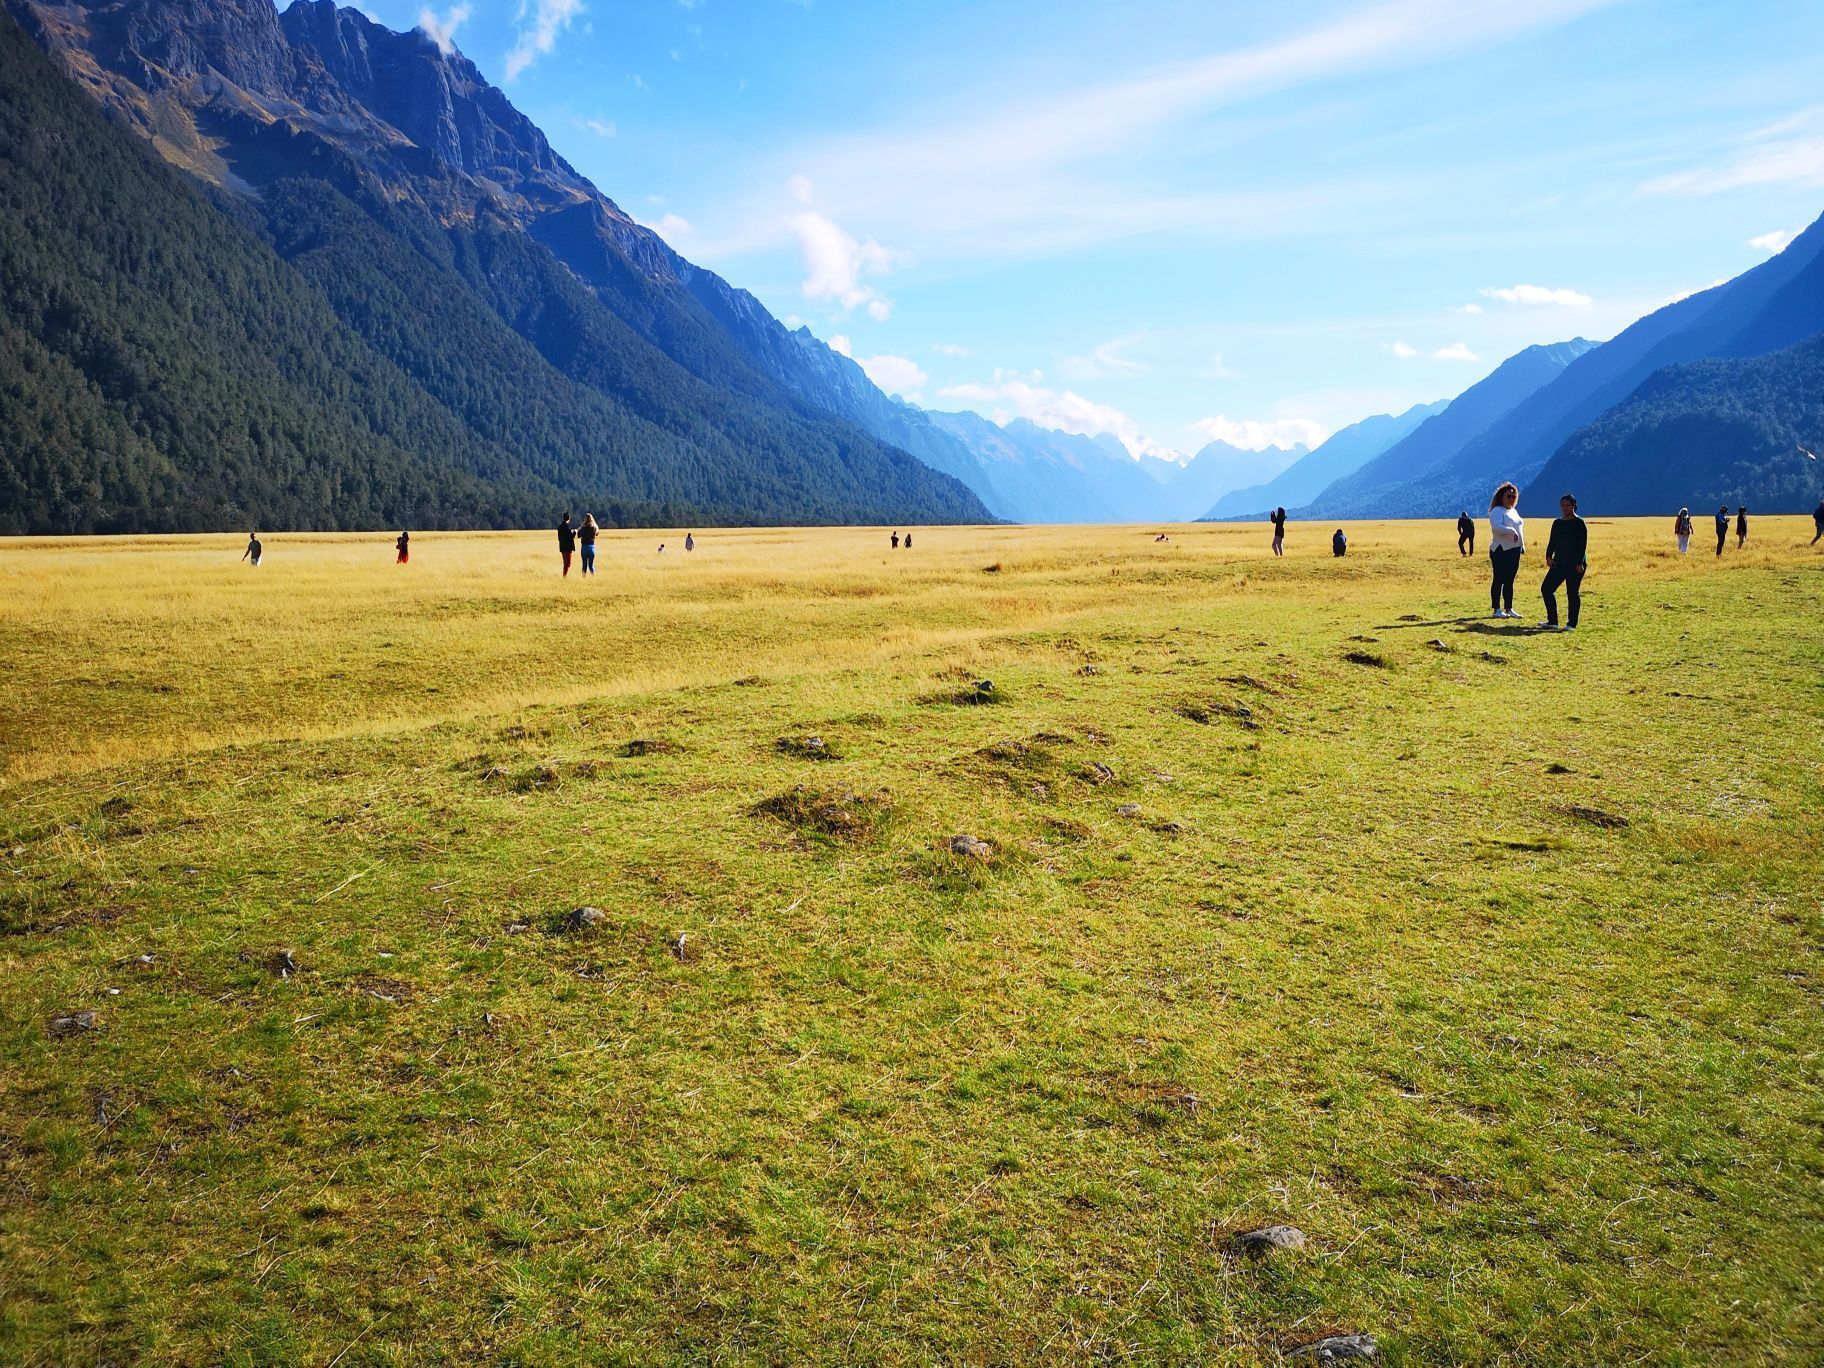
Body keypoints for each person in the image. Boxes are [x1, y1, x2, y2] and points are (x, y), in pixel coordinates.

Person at [1541, 493, 1588, 631]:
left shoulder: (1579, 523)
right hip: (1559, 563)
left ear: (1574, 506)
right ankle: (1552, 621)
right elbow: (1552, 541)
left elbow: (1582, 545)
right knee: (1546, 589)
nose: (1565, 508)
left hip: (1575, 564)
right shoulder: (1557, 523)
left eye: (1568, 505)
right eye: (1563, 505)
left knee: (1572, 593)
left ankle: (1571, 624)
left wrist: (1579, 563)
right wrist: (1548, 556)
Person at [1487, 482, 1525, 618]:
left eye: (1514, 497)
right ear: (1501, 497)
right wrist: (1511, 531)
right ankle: (1496, 609)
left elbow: (1519, 528)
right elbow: (1496, 527)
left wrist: (1522, 545)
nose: (1511, 499)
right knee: (1499, 579)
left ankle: (1509, 608)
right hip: (1500, 550)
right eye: (1508, 496)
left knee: (1509, 580)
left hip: (1514, 549)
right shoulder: (1497, 511)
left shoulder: (1513, 511)